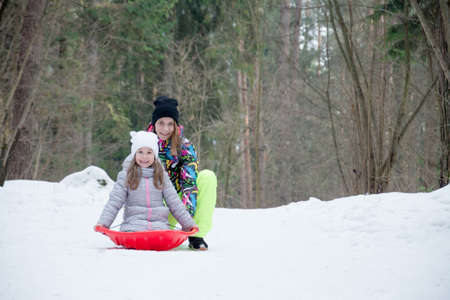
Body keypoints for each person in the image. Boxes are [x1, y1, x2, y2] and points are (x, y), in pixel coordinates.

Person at [145, 95, 217, 250]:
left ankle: (195, 235)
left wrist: (186, 220)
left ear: (176, 126)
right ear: (154, 123)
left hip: (178, 203)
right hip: (154, 207)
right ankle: (153, 230)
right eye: (161, 123)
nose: (165, 129)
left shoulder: (184, 147)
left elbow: (189, 183)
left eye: (170, 124)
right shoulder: (143, 145)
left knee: (207, 177)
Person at [95, 131, 197, 233]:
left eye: (149, 152)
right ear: (134, 154)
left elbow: (174, 202)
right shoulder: (126, 175)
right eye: (140, 152)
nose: (144, 157)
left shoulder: (161, 176)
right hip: (133, 225)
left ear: (155, 155)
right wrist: (104, 223)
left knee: (161, 233)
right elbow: (114, 202)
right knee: (135, 231)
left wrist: (188, 224)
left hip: (159, 227)